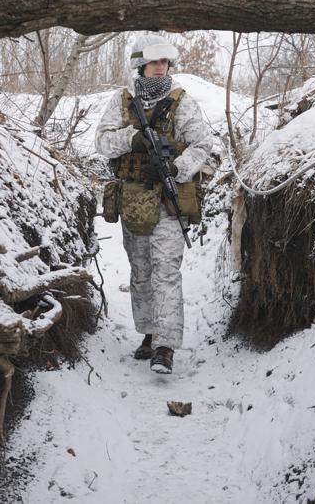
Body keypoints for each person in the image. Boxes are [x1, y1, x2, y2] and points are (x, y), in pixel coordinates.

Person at [95, 34, 214, 374]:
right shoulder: (122, 102)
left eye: (165, 63)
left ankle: (165, 345)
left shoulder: (182, 102)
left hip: (167, 200)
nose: (161, 68)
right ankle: (148, 333)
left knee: (165, 273)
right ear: (141, 66)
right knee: (141, 272)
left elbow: (202, 146)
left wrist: (177, 168)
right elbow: (102, 142)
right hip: (134, 201)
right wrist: (131, 139)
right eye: (154, 63)